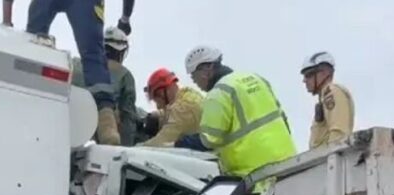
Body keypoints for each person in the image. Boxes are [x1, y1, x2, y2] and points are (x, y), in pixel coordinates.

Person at [2, 0, 136, 145]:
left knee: (34, 47)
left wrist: (7, 22)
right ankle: (106, 125)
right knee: (93, 56)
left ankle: (22, 105)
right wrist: (125, 18)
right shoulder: (124, 76)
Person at [177, 46, 296, 180]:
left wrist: (181, 142)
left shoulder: (218, 93)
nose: (193, 81)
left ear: (207, 69)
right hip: (289, 164)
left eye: (194, 75)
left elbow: (209, 139)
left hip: (256, 175)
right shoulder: (255, 78)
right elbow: (283, 118)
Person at [73, 27, 136, 145]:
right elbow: (128, 119)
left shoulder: (76, 64)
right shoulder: (125, 75)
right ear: (121, 52)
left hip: (69, 128)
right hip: (100, 136)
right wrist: (127, 149)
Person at [137, 68, 203, 147]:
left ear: (162, 93)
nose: (158, 107)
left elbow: (161, 142)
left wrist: (137, 148)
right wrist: (153, 117)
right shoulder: (186, 95)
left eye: (156, 100)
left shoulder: (184, 108)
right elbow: (169, 113)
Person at [302, 51, 354, 151]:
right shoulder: (324, 97)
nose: (304, 80)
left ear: (324, 73)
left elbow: (338, 133)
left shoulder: (331, 92)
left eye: (308, 74)